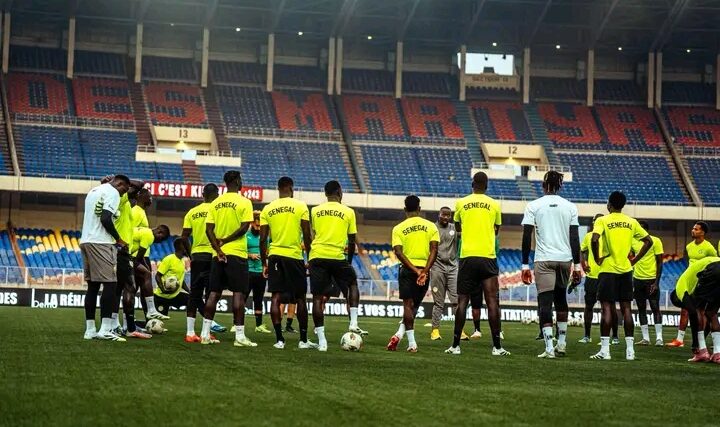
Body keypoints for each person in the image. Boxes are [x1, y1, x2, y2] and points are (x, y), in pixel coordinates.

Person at [446, 172, 510, 356]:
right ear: (487, 186)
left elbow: (457, 227)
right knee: (492, 302)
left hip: (467, 257)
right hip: (487, 257)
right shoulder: (495, 204)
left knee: (462, 301)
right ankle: (497, 347)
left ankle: (455, 346)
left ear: (472, 184)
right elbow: (496, 230)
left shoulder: (461, 203)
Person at [520, 171, 581, 359]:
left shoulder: (533, 206)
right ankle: (561, 344)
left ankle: (549, 348)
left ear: (543, 185)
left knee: (545, 302)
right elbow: (574, 238)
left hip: (544, 259)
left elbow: (527, 236)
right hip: (564, 259)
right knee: (561, 300)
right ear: (560, 186)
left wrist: (524, 265)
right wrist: (577, 266)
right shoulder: (570, 207)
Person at [590, 191, 653, 361]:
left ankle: (605, 351)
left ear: (609, 204)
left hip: (608, 269)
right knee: (626, 309)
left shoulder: (602, 220)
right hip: (626, 269)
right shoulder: (631, 222)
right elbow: (649, 241)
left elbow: (594, 239)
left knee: (606, 308)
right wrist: (635, 260)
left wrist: (597, 258)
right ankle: (630, 351)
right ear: (623, 205)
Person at [310, 180, 368, 351]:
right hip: (337, 256)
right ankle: (354, 322)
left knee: (317, 298)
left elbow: (315, 233)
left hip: (317, 255)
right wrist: (348, 262)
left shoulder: (315, 210)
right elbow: (351, 241)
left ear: (325, 193)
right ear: (340, 192)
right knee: (352, 283)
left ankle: (322, 342)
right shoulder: (348, 212)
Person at [201, 170, 256, 347]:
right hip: (237, 253)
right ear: (237, 181)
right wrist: (226, 241)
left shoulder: (215, 203)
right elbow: (244, 228)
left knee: (213, 293)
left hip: (218, 254)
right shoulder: (244, 201)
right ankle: (239, 336)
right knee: (238, 293)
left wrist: (218, 249)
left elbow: (208, 230)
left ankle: (204, 334)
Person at [260, 176, 315, 350]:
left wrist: (264, 263)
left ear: (278, 189)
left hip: (275, 256)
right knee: (300, 298)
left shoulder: (268, 209)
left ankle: (279, 340)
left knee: (276, 297)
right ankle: (303, 340)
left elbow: (262, 239)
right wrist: (310, 258)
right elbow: (307, 235)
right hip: (294, 256)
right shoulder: (300, 206)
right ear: (291, 188)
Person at [80, 174, 130, 341]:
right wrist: (119, 239)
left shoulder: (93, 191)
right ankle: (106, 329)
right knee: (111, 284)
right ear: (120, 184)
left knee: (93, 287)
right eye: (124, 190)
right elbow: (106, 218)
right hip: (101, 242)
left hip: (86, 240)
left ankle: (90, 330)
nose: (123, 194)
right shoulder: (113, 192)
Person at [386, 195, 438, 353]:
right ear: (419, 209)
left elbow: (398, 253)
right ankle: (399, 335)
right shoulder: (431, 226)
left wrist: (415, 271)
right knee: (414, 307)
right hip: (425, 270)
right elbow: (434, 250)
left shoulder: (398, 228)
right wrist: (424, 271)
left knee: (408, 306)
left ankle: (411, 343)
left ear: (404, 209)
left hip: (408, 270)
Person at [180, 183, 226, 343]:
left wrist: (190, 255)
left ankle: (190, 333)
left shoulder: (192, 212)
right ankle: (206, 332)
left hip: (197, 256)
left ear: (202, 194)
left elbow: (183, 237)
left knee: (195, 293)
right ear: (217, 194)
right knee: (212, 293)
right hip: (213, 255)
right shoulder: (218, 210)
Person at [668, 221, 717, 348]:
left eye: (696, 229)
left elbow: (714, 264)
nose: (693, 230)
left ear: (703, 232)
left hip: (703, 282)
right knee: (685, 309)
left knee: (702, 311)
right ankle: (679, 339)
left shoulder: (709, 248)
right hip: (691, 282)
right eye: (693, 228)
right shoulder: (689, 246)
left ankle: (702, 341)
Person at [576, 214, 619, 344]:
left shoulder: (611, 236)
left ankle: (614, 336)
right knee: (589, 306)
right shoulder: (589, 236)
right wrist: (583, 264)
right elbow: (581, 250)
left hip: (607, 275)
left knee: (610, 307)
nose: (596, 222)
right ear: (593, 222)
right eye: (595, 220)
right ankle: (587, 336)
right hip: (592, 277)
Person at [669, 256, 720, 363]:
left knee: (698, 310)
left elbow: (692, 312)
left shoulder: (679, 290)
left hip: (712, 268)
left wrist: (695, 343)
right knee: (711, 313)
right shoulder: (690, 285)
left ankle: (702, 352)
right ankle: (717, 354)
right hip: (715, 265)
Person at [429, 207, 461, 341]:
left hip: (453, 268)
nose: (446, 217)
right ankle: (435, 330)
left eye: (448, 215)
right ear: (439, 214)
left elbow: (464, 233)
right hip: (437, 268)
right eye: (444, 215)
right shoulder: (432, 228)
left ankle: (459, 330)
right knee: (439, 302)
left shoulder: (454, 228)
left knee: (456, 301)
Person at [632, 220, 664, 346]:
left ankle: (659, 338)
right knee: (641, 309)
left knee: (655, 307)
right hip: (637, 279)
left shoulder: (655, 241)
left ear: (645, 230)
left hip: (651, 280)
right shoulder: (633, 241)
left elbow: (660, 262)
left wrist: (656, 283)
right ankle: (645, 338)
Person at [130, 225, 171, 321]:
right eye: (161, 239)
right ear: (160, 232)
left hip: (122, 253)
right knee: (146, 275)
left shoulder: (144, 231)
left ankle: (126, 322)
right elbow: (139, 258)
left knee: (129, 288)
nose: (159, 242)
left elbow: (140, 258)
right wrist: (147, 271)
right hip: (125, 256)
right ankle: (151, 310)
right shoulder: (149, 236)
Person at [246, 210, 271, 334]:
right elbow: (240, 252)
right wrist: (250, 255)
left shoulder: (265, 236)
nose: (259, 228)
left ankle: (259, 325)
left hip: (261, 271)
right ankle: (236, 324)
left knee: (258, 298)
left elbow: (269, 250)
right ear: (251, 223)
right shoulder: (245, 236)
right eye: (257, 225)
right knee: (242, 297)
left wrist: (266, 256)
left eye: (261, 226)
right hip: (248, 271)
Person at [153, 239, 190, 316]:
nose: (189, 248)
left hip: (174, 295)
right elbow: (158, 276)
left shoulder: (182, 261)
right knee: (158, 320)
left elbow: (181, 280)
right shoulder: (169, 259)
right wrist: (163, 290)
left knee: (191, 300)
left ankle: (202, 321)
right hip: (161, 296)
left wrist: (189, 291)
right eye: (187, 246)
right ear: (182, 247)